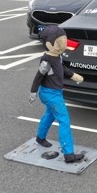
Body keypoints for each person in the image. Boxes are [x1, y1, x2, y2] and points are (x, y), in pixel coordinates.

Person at [28, 25, 85, 163]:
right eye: (61, 42)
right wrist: (33, 92)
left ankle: (40, 138)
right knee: (64, 119)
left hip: (55, 92)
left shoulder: (57, 57)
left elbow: (62, 69)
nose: (64, 44)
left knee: (50, 114)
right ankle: (68, 154)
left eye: (64, 41)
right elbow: (39, 76)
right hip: (50, 94)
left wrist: (74, 76)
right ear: (49, 43)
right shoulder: (47, 60)